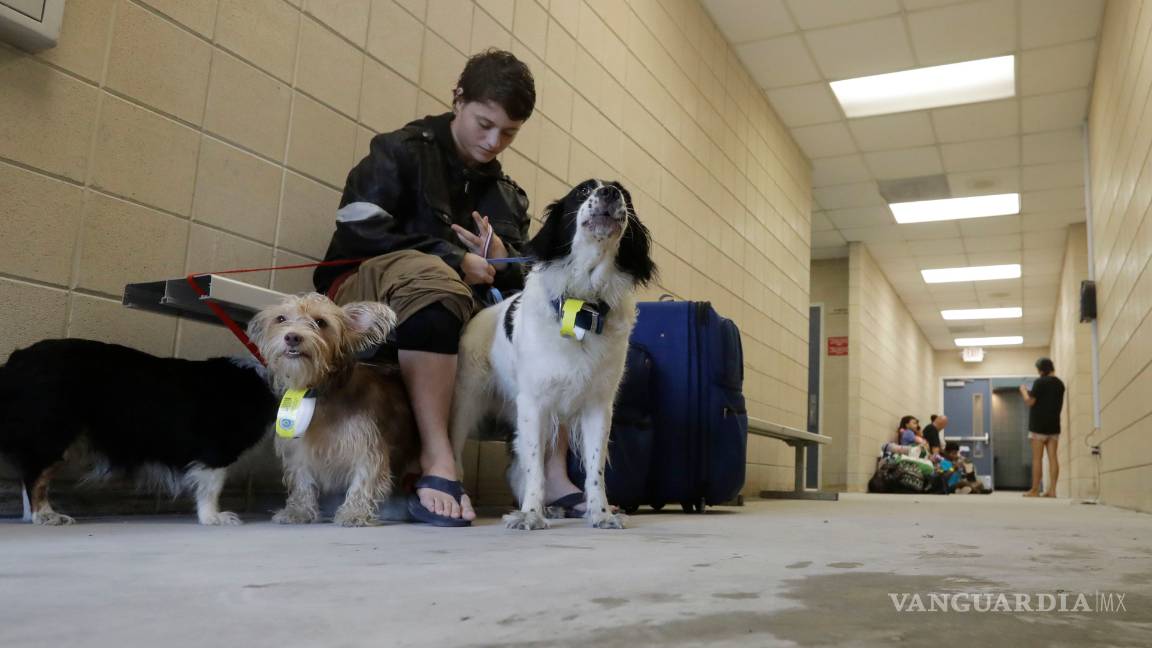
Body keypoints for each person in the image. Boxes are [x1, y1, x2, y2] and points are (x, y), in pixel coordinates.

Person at [312, 49, 588, 525]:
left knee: (565, 311)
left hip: (459, 301)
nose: (494, 141)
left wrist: (503, 263)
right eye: (485, 124)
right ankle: (437, 460)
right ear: (458, 99)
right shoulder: (400, 150)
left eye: (509, 133)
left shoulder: (506, 194)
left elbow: (527, 279)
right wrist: (453, 258)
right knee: (439, 284)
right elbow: (357, 228)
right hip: (369, 285)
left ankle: (549, 469)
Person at [1020, 357, 1065, 498]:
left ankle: (1034, 490)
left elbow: (1030, 401)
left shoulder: (1039, 382)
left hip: (1038, 426)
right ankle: (1053, 490)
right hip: (1054, 426)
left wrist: (1023, 391)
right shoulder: (1060, 384)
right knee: (1053, 458)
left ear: (1041, 370)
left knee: (1037, 459)